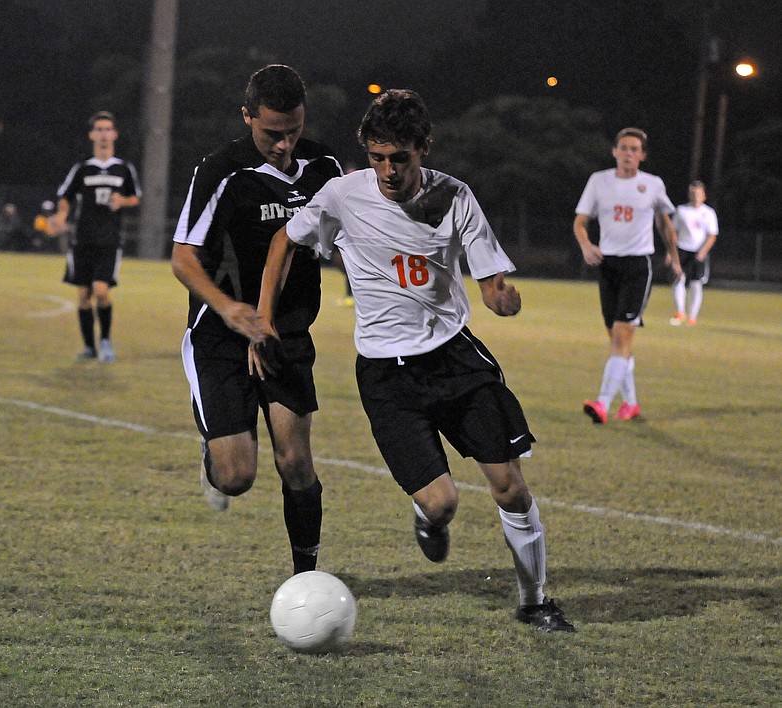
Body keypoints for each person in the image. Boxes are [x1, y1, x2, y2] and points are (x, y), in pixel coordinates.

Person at [254, 89, 574, 631]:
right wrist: (264, 317)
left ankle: (534, 602)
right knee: (443, 503)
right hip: (385, 375)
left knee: (509, 485)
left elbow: (492, 278)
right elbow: (284, 239)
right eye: (377, 157)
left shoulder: (454, 196)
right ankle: (430, 517)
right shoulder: (341, 196)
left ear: (422, 149)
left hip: (454, 358)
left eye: (398, 158)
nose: (387, 170)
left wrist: (501, 298)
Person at [170, 65, 342, 576]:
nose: (285, 145)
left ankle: (305, 580)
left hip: (285, 333)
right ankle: (213, 457)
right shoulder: (222, 170)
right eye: (272, 133)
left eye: (293, 130)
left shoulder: (324, 168)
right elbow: (183, 257)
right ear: (247, 117)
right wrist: (230, 310)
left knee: (294, 460)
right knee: (237, 477)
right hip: (221, 334)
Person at [573, 127, 682, 424]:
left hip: (637, 267)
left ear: (642, 156)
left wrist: (673, 255)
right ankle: (631, 404)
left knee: (621, 336)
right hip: (609, 266)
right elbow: (580, 222)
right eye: (624, 148)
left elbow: (664, 223)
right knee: (616, 340)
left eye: (635, 149)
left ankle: (602, 404)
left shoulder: (653, 185)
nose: (628, 154)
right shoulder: (599, 181)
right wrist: (586, 245)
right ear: (614, 152)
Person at [48, 111, 142, 362]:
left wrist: (122, 200)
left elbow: (135, 197)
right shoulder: (83, 169)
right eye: (98, 129)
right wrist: (61, 215)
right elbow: (65, 197)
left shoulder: (123, 169)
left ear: (115, 134)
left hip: (109, 240)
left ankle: (105, 341)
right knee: (83, 296)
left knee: (101, 291)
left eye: (107, 129)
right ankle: (89, 347)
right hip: (83, 240)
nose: (103, 134)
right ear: (92, 135)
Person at [667, 180, 718, 326]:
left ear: (704, 196)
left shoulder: (708, 213)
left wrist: (703, 251)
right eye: (693, 193)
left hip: (699, 252)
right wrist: (671, 252)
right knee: (678, 279)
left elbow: (712, 235)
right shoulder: (682, 210)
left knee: (696, 284)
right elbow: (673, 232)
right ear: (689, 195)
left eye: (698, 194)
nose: (695, 196)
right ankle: (680, 311)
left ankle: (692, 317)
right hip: (682, 249)